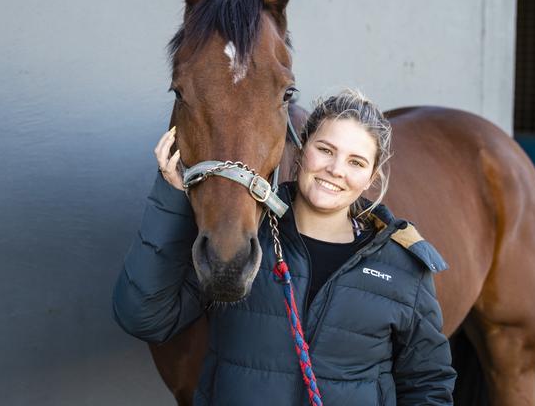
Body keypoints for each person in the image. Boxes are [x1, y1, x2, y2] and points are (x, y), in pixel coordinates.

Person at [113, 89, 456, 405]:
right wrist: (172, 200)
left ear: (371, 178)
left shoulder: (402, 267)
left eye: (356, 162)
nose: (336, 170)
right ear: (300, 150)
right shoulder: (239, 245)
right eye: (325, 150)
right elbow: (145, 318)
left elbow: (428, 384)